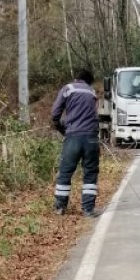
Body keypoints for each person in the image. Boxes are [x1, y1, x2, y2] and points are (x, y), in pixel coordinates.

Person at [51, 69, 102, 217]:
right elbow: (95, 117)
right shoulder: (92, 93)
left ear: (76, 79)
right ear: (88, 81)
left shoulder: (68, 89)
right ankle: (88, 209)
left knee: (66, 172)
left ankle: (60, 207)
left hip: (73, 137)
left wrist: (62, 128)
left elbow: (55, 114)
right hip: (91, 138)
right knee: (90, 173)